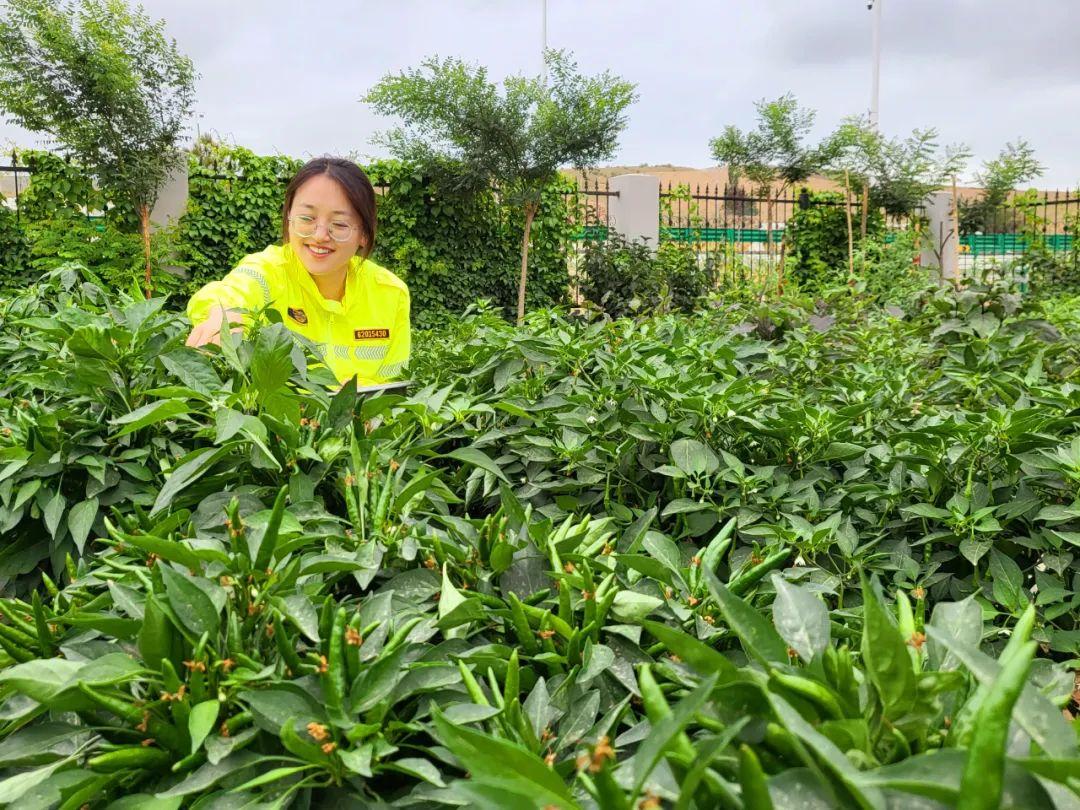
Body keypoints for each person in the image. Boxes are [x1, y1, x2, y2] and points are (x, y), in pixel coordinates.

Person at [186, 157, 410, 386]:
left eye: (340, 224)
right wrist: (224, 315)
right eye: (307, 218)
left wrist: (362, 390)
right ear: (289, 219)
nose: (320, 236)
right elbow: (234, 289)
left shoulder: (390, 293)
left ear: (364, 234)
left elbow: (394, 382)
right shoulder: (271, 270)